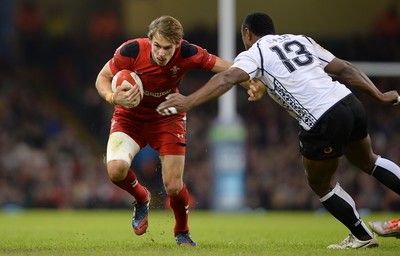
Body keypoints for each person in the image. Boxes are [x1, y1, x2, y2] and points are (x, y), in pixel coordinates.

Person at [157, 12, 400, 249]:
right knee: (369, 160)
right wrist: (378, 95)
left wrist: (189, 101)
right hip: (349, 102)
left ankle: (361, 235)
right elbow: (345, 69)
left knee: (320, 183)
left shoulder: (255, 52)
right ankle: (362, 233)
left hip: (322, 116)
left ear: (247, 33)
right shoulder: (301, 40)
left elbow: (226, 78)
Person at [95, 15, 247, 246]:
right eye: (157, 46)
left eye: (167, 48)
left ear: (178, 44)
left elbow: (226, 68)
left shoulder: (187, 53)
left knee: (173, 185)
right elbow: (102, 78)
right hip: (129, 117)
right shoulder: (131, 50)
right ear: (150, 40)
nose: (161, 53)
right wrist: (112, 96)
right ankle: (142, 198)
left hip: (167, 116)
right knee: (115, 170)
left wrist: (251, 81)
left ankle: (182, 231)